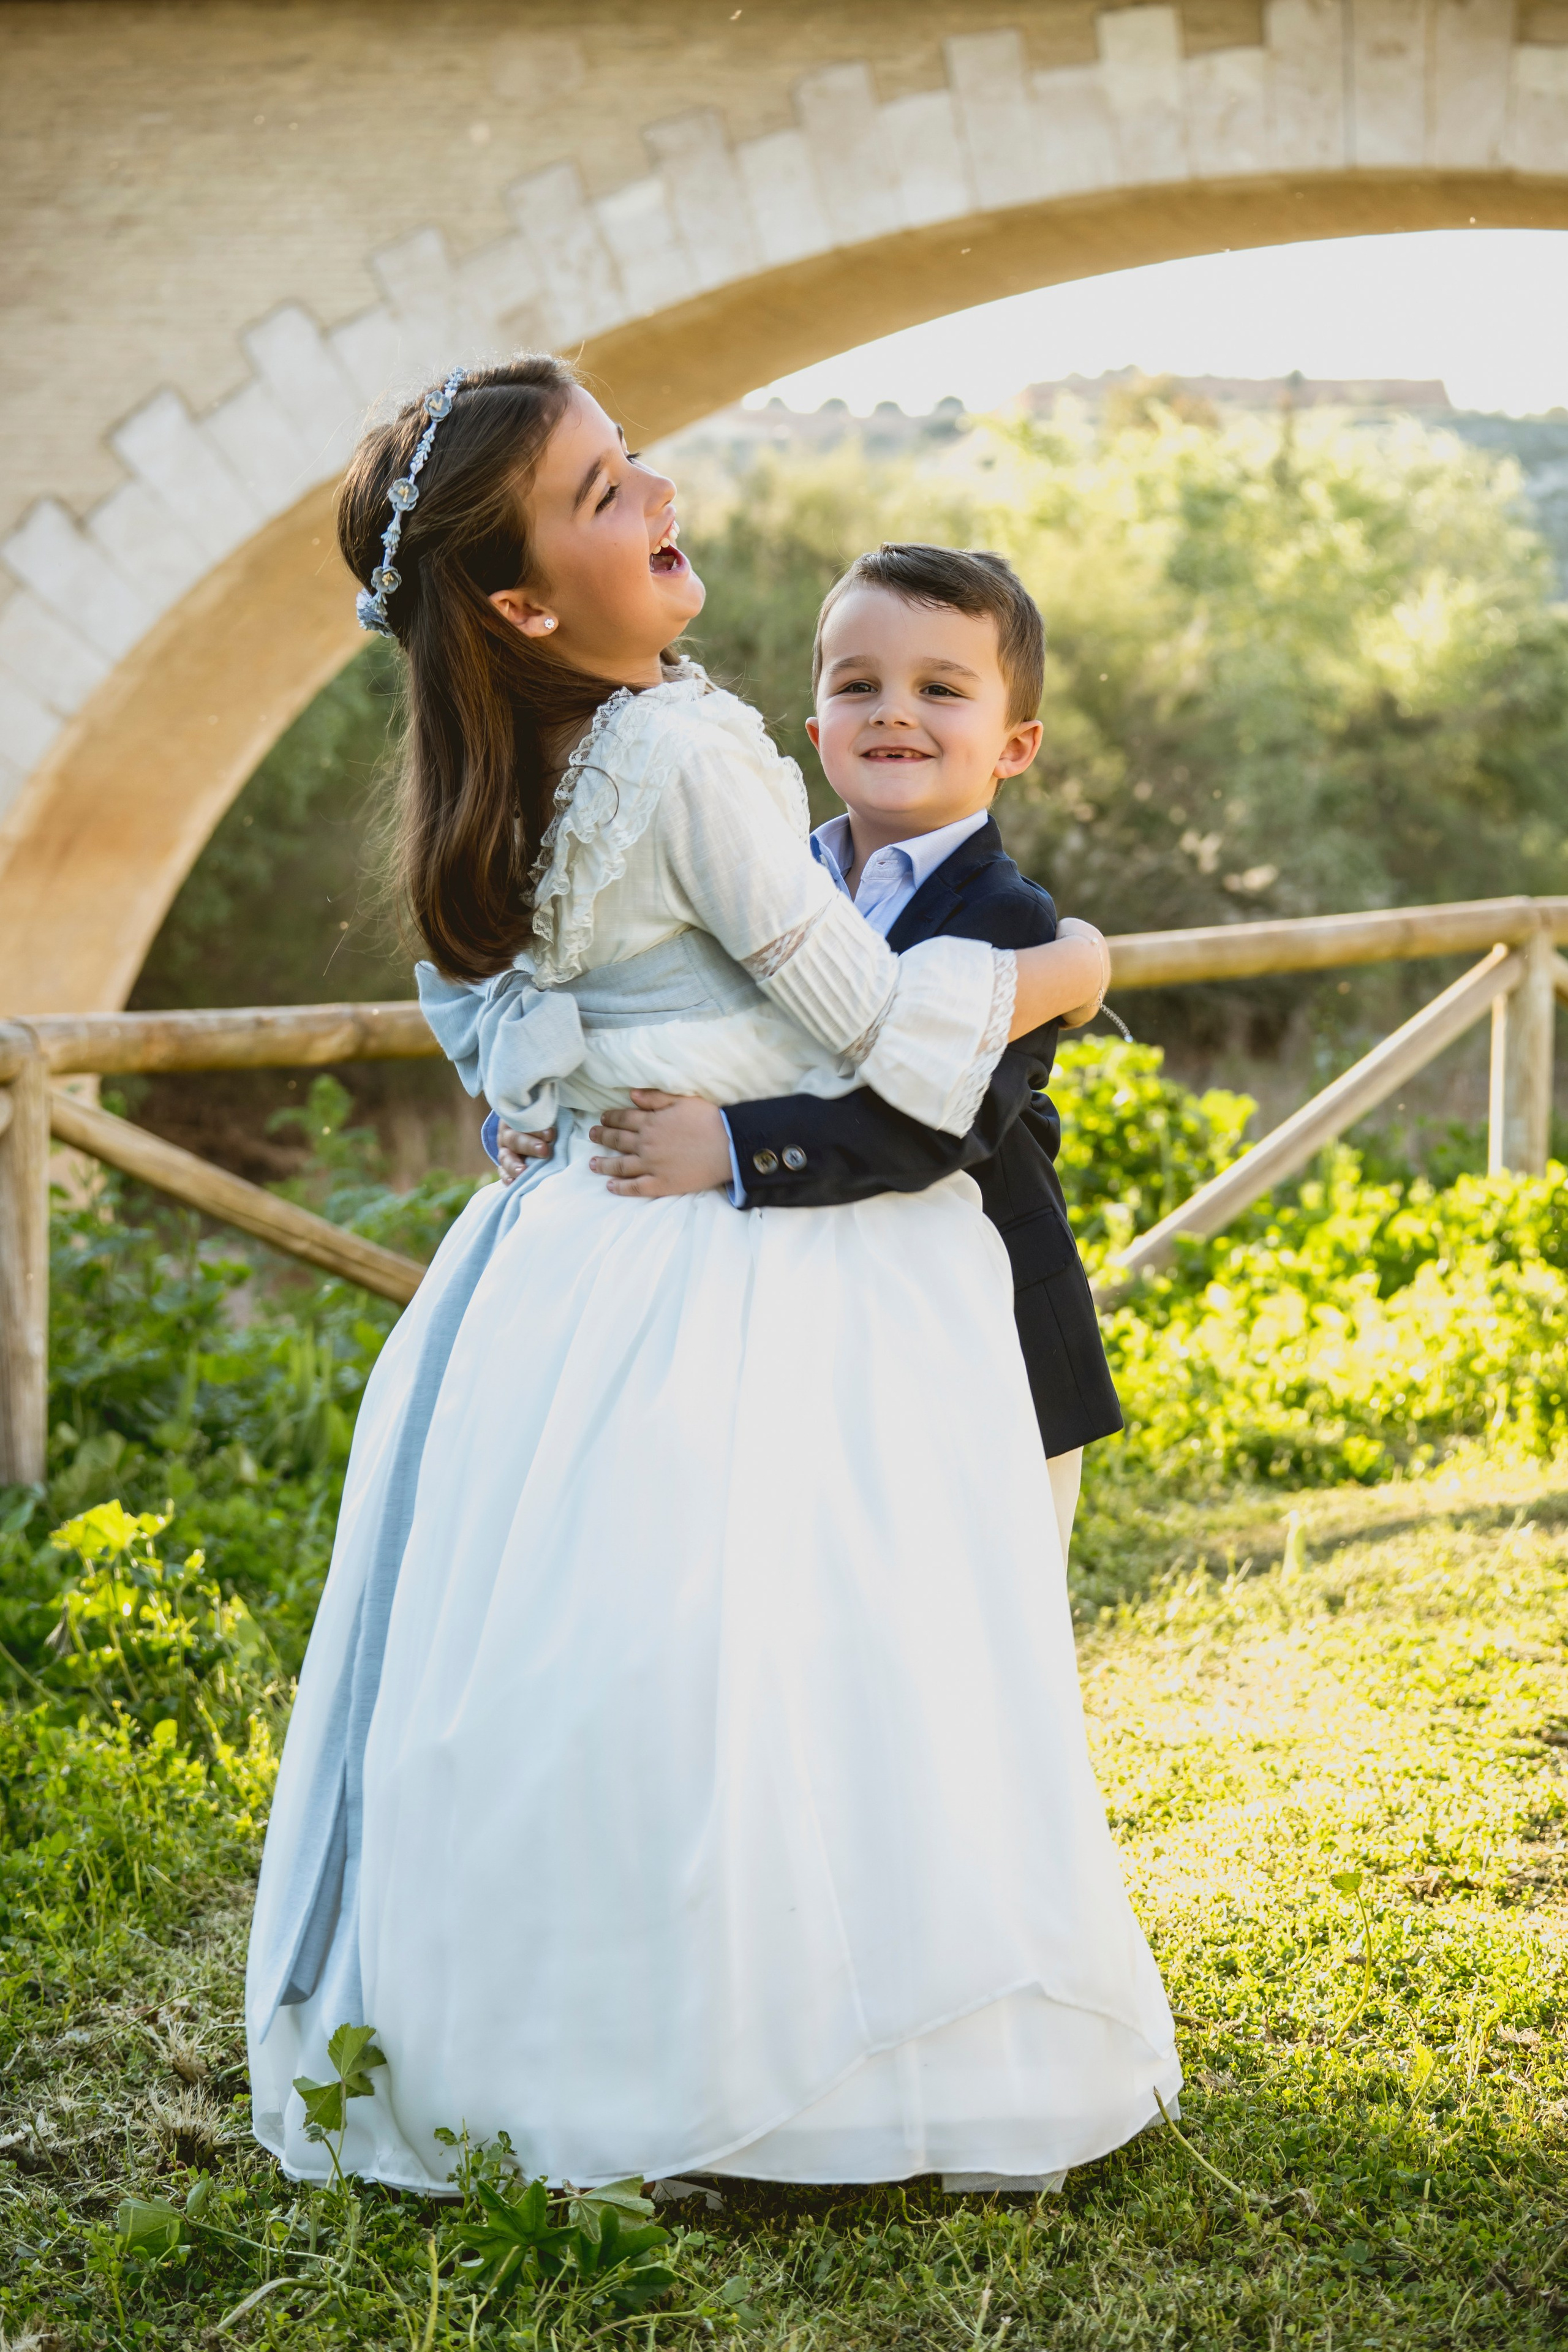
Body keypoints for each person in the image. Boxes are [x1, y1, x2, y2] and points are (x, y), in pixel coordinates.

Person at [244, 354, 1180, 2197]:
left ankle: (544, 2033)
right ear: (522, 604)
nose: (653, 493)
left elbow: (488, 1010)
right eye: (602, 494)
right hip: (750, 1272)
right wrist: (1059, 972)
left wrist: (575, 1085)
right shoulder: (680, 746)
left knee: (601, 1661)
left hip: (568, 1263)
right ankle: (806, 2064)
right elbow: (866, 1028)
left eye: (627, 460)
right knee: (806, 1650)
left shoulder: (516, 762)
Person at [493, 543, 1121, 1572]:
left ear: (1016, 744)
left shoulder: (1010, 918)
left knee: (982, 1586)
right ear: (815, 721)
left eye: (941, 690)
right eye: (858, 684)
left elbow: (941, 1123)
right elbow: (687, 1023)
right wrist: (548, 1105)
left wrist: (731, 1146)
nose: (893, 711)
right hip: (820, 1316)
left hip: (988, 1328)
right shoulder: (767, 880)